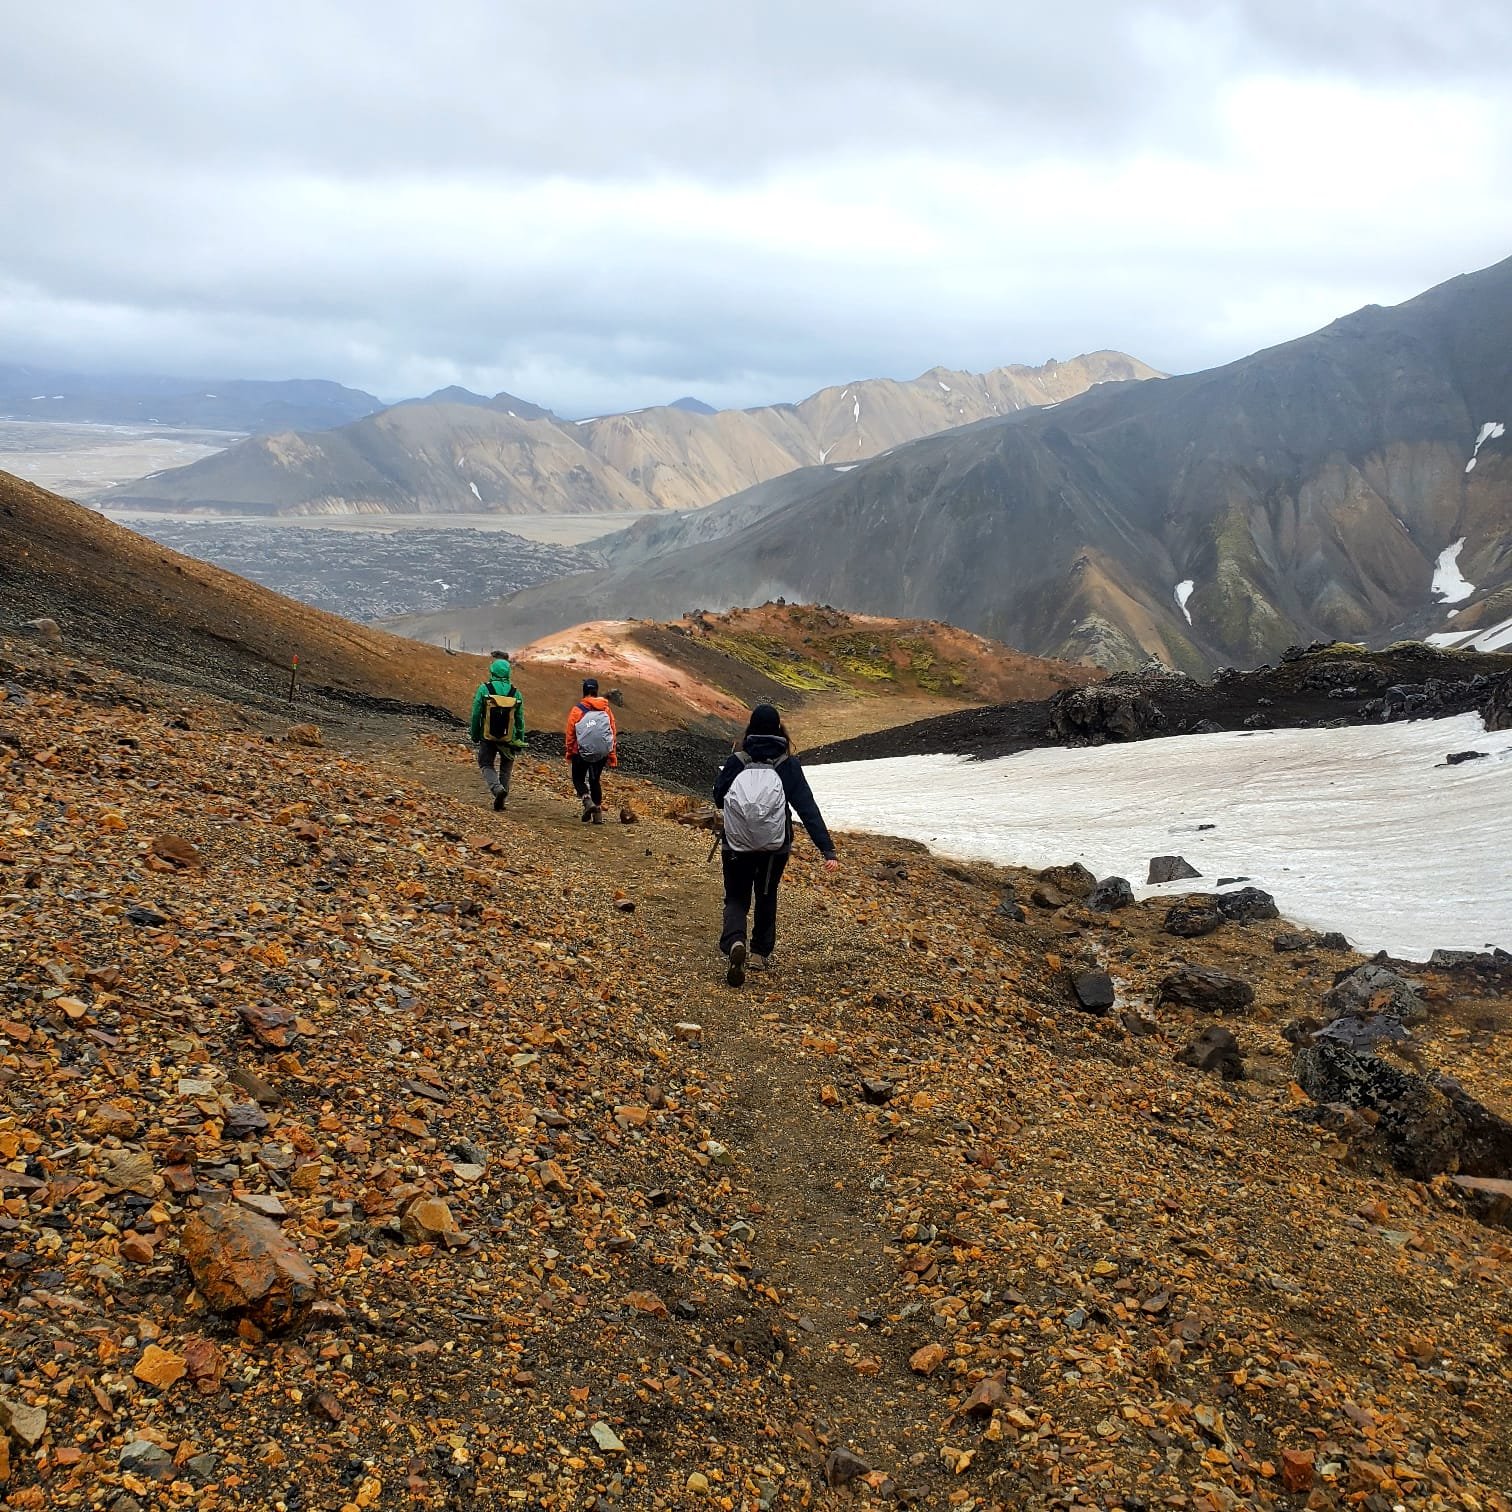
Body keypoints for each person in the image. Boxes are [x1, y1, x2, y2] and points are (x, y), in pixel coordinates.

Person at [712, 703, 838, 987]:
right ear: (779, 728)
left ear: (751, 728)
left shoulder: (738, 760)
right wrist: (827, 849)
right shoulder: (787, 764)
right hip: (775, 847)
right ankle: (758, 954)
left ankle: (735, 941)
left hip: (736, 843)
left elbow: (719, 798)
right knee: (766, 895)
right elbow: (807, 808)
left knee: (735, 897)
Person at [468, 656, 526, 810]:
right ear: (508, 673)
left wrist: (475, 734)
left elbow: (475, 714)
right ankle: (502, 801)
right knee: (506, 768)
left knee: (486, 763)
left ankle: (497, 789)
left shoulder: (484, 689)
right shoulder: (515, 693)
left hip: (487, 736)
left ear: (492, 671)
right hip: (509, 737)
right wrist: (520, 738)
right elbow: (520, 719)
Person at [565, 677, 618, 823]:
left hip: (580, 752)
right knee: (595, 781)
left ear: (584, 691)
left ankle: (587, 801)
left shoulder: (577, 710)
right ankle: (598, 816)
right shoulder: (606, 709)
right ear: (596, 691)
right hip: (601, 752)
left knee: (578, 779)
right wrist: (612, 755)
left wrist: (570, 752)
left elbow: (570, 734)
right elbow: (612, 733)